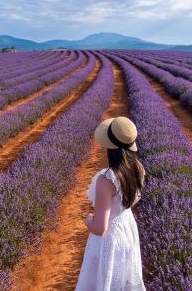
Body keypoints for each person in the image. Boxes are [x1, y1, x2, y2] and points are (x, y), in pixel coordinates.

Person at [75, 116, 146, 291]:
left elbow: (100, 228)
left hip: (110, 241)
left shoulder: (107, 179)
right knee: (124, 280)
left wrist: (88, 220)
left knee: (105, 282)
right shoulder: (138, 168)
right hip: (127, 230)